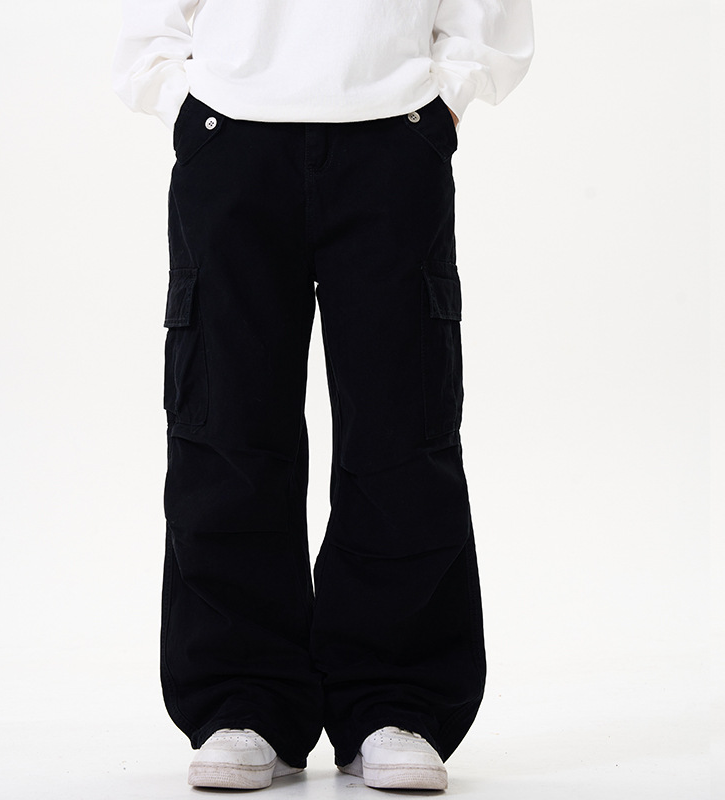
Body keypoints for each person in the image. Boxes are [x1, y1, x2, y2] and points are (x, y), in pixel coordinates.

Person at [111, 0, 533, 791]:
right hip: (230, 136)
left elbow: (489, 16)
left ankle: (396, 700)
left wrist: (448, 97)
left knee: (402, 423)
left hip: (394, 133)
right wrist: (179, 100)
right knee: (227, 422)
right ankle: (243, 699)